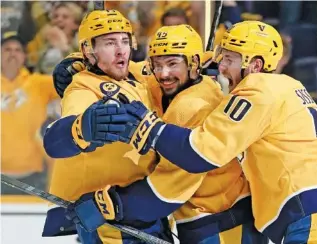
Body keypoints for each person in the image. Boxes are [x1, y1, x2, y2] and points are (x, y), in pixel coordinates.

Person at [114, 21, 317, 244]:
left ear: (255, 64)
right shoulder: (289, 85)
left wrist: (150, 128)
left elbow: (200, 153)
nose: (222, 67)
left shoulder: (256, 89)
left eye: (230, 59)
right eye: (222, 58)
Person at [57, 24, 268, 244]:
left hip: (224, 222)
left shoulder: (193, 107)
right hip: (206, 220)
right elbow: (138, 71)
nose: (163, 74)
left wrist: (111, 204)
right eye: (157, 64)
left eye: (172, 64)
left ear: (194, 63)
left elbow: (169, 187)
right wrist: (82, 62)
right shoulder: (176, 84)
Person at [42, 10, 173, 243]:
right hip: (109, 221)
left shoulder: (137, 74)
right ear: (88, 51)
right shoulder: (84, 87)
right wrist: (79, 129)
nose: (121, 49)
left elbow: (172, 60)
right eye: (109, 43)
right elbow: (56, 140)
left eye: (125, 41)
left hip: (145, 211)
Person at [1, 31, 59, 194]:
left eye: (18, 50)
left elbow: (71, 82)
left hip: (34, 177)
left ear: (24, 57)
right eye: (7, 49)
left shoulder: (39, 83)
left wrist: (63, 48)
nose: (13, 54)